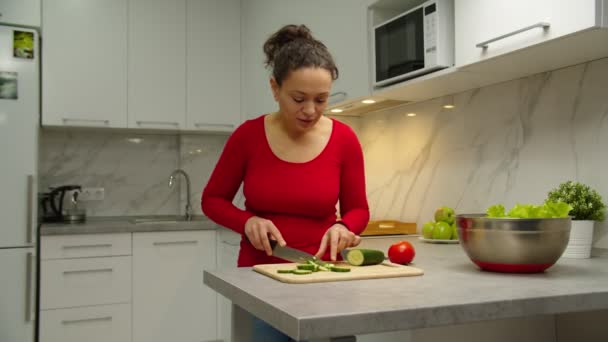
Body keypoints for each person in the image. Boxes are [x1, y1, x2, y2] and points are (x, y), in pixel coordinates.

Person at [201, 24, 369, 340]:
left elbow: (359, 209)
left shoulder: (344, 139)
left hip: (325, 280)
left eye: (321, 100)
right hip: (259, 281)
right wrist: (247, 221)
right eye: (298, 98)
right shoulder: (247, 137)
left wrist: (344, 227)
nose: (310, 110)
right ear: (275, 88)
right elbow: (212, 200)